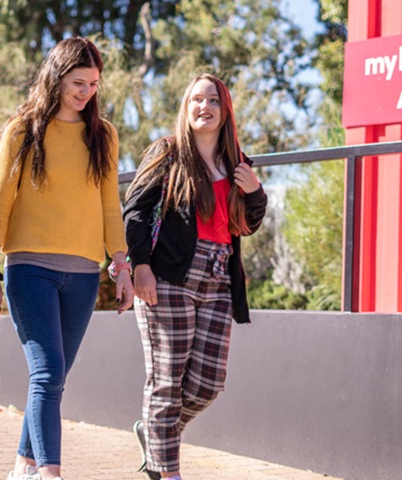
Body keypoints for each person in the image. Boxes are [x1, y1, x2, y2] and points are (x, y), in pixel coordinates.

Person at [0, 36, 134, 480]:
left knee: (54, 378)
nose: (86, 92)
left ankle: (23, 466)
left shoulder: (103, 136)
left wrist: (120, 267)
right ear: (56, 76)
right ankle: (50, 473)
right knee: (47, 374)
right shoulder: (22, 131)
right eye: (77, 82)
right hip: (29, 270)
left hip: (84, 275)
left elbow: (109, 207)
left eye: (93, 84)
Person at [123, 73, 268, 480]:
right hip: (168, 278)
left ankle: (153, 432)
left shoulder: (239, 162)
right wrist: (141, 267)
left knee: (208, 383)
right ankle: (167, 472)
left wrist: (255, 192)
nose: (204, 107)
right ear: (186, 110)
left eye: (213, 101)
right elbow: (134, 211)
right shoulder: (168, 153)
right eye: (196, 100)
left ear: (225, 112)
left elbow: (249, 224)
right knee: (167, 380)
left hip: (219, 278)